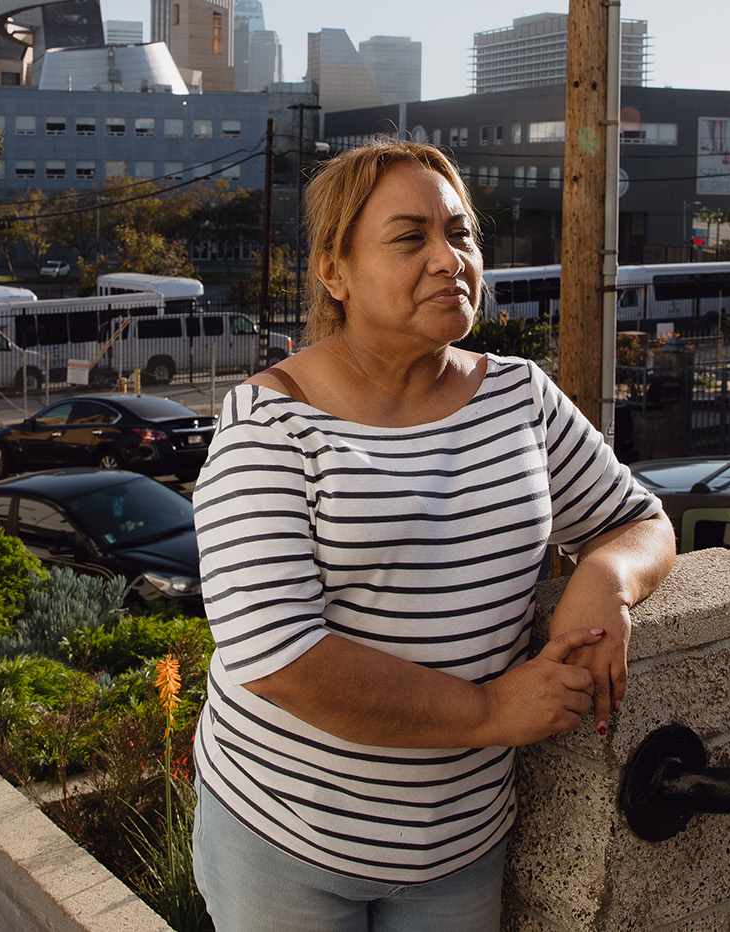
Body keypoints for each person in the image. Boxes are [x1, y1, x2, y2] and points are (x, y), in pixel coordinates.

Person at [191, 138, 676, 930]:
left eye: (461, 234)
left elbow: (637, 519)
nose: (449, 259)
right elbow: (279, 658)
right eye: (410, 237)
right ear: (334, 271)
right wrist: (490, 714)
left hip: (460, 843)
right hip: (285, 835)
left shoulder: (519, 394)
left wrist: (606, 583)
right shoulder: (270, 424)